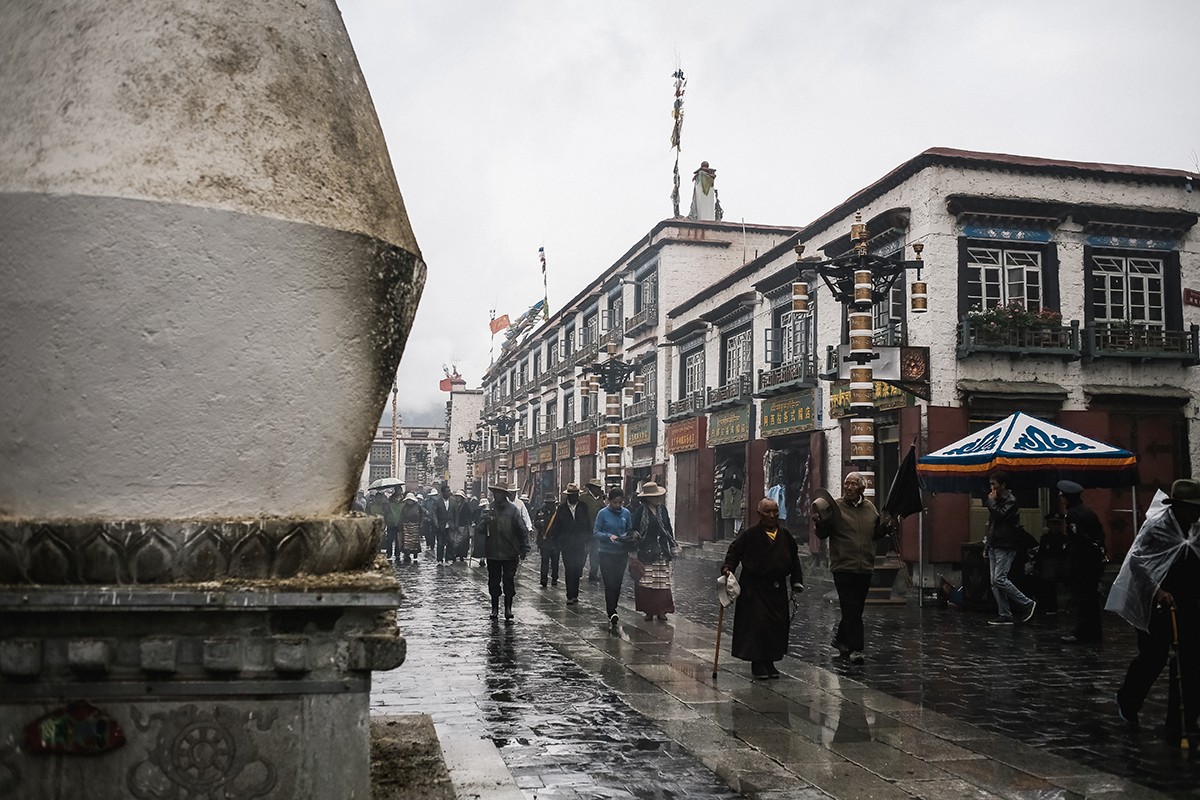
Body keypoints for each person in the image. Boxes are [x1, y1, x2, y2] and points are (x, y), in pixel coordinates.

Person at [1109, 479, 1200, 737]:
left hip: (1189, 601)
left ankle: (1183, 719)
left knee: (1190, 661)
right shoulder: (1158, 527)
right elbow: (1137, 562)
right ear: (1178, 506)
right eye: (1192, 508)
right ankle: (1128, 700)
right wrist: (1158, 591)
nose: (1196, 514)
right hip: (1157, 604)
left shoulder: (1195, 529)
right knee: (1153, 657)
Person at [721, 498, 804, 679]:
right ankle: (757, 663)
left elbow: (794, 559)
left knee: (776, 625)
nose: (772, 515)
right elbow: (734, 552)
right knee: (757, 625)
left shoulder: (785, 535)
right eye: (768, 512)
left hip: (777, 588)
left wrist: (796, 581)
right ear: (759, 514)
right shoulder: (750, 534)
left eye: (775, 511)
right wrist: (728, 569)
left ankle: (770, 661)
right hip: (754, 587)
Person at [812, 472, 889, 663]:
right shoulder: (835, 507)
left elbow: (875, 533)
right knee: (850, 607)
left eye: (853, 484)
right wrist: (819, 523)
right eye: (846, 484)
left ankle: (840, 640)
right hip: (843, 565)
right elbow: (823, 534)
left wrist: (887, 527)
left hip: (865, 566)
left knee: (856, 608)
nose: (849, 488)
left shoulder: (870, 508)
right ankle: (856, 648)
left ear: (862, 488)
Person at [982, 471, 1037, 626]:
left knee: (1000, 578)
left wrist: (991, 502)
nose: (992, 488)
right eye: (991, 484)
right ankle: (1004, 613)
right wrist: (987, 544)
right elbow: (993, 524)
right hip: (995, 543)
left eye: (995, 484)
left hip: (1006, 545)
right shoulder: (997, 500)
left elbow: (1000, 516)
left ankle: (1027, 603)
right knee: (995, 581)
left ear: (1003, 485)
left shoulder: (1010, 501)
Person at [1057, 480, 1106, 643]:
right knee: (1091, 599)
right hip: (1093, 562)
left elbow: (1078, 539)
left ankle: (1081, 632)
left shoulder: (1073, 514)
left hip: (1081, 563)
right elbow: (1100, 533)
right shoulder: (1088, 511)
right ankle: (1094, 632)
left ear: (1067, 498)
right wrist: (1097, 546)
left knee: (1081, 599)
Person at [476, 482, 531, 622]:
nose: (496, 495)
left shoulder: (513, 510)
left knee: (508, 581)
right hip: (493, 552)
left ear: (505, 494)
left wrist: (524, 548)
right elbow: (480, 529)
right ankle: (494, 608)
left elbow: (521, 530)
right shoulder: (489, 509)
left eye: (499, 492)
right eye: (495, 492)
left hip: (510, 553)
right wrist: (485, 521)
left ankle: (508, 608)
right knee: (493, 582)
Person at [630, 480, 676, 621]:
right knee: (647, 581)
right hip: (646, 550)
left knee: (661, 581)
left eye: (658, 496)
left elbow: (667, 528)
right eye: (655, 497)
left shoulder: (662, 510)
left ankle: (661, 610)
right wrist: (634, 534)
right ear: (648, 498)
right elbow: (633, 528)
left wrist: (673, 545)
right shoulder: (640, 511)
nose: (658, 499)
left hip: (661, 549)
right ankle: (649, 611)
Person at [593, 487, 634, 626]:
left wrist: (629, 538)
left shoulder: (626, 513)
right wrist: (608, 536)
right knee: (609, 582)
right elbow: (596, 532)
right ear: (609, 501)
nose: (617, 505)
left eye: (620, 503)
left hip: (621, 553)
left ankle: (614, 606)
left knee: (617, 583)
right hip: (606, 553)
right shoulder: (602, 514)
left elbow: (630, 530)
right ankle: (611, 611)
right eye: (615, 502)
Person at [547, 483, 592, 605]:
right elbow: (557, 526)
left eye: (575, 495)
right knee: (569, 568)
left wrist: (588, 539)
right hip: (566, 544)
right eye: (571, 495)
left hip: (580, 543)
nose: (574, 497)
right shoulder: (562, 509)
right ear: (568, 496)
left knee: (577, 568)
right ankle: (570, 595)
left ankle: (575, 593)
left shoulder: (583, 507)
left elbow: (588, 524)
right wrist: (555, 542)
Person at [1032, 512, 1066, 615]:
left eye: (1057, 524)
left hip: (1058, 567)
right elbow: (1041, 554)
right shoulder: (1045, 539)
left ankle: (1050, 606)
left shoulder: (1064, 539)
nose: (1055, 527)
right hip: (1046, 567)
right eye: (1052, 524)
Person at [581, 478, 605, 583]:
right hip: (586, 531)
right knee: (583, 552)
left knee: (595, 553)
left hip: (597, 531)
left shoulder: (600, 500)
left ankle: (593, 573)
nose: (598, 490)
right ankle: (579, 571)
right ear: (592, 488)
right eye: (597, 488)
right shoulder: (583, 498)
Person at [432, 482, 463, 564]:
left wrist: (456, 524)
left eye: (449, 491)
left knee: (451, 541)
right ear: (442, 492)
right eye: (447, 491)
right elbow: (434, 513)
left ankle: (449, 558)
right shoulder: (437, 501)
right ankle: (439, 559)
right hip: (441, 525)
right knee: (440, 543)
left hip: (450, 525)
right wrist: (436, 523)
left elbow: (456, 514)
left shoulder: (453, 502)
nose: (449, 492)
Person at [534, 494, 561, 588]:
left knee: (555, 561)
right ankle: (543, 578)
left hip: (555, 541)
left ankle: (554, 578)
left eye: (551, 503)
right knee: (544, 560)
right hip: (544, 540)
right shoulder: (540, 511)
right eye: (548, 503)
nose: (549, 505)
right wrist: (538, 524)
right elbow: (535, 522)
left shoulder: (558, 512)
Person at [398, 492, 424, 564]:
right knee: (406, 542)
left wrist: (421, 523)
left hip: (415, 525)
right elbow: (402, 516)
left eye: (410, 500)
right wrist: (400, 524)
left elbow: (422, 514)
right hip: (406, 526)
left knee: (415, 541)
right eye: (408, 500)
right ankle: (407, 554)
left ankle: (415, 553)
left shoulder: (418, 506)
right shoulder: (405, 507)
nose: (409, 501)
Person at [381, 488, 404, 563]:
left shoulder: (403, 501)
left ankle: (397, 554)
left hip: (400, 523)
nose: (398, 492)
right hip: (391, 522)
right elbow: (386, 512)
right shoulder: (389, 501)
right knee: (390, 539)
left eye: (399, 491)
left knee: (398, 540)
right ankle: (389, 553)